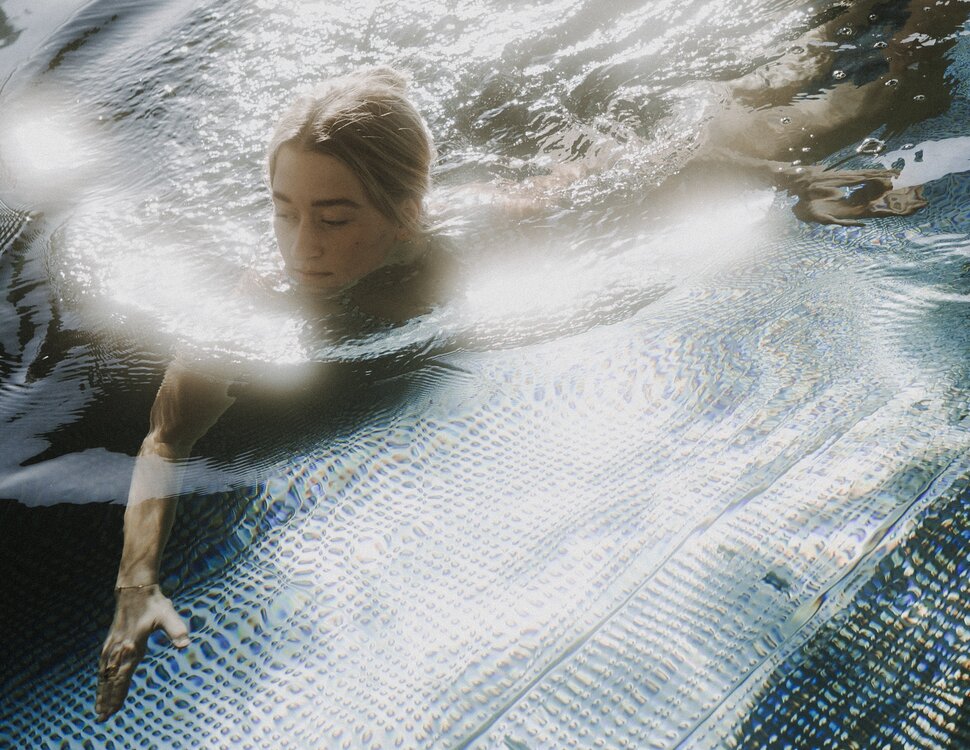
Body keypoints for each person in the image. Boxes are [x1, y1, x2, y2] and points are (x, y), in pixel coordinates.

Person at [95, 0, 968, 721]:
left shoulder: (476, 236)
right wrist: (137, 583)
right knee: (797, 60)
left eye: (333, 217)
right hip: (618, 153)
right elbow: (166, 440)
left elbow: (678, 178)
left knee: (889, 99)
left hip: (662, 158)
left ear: (405, 213)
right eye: (284, 209)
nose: (300, 247)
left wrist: (793, 189)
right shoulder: (256, 297)